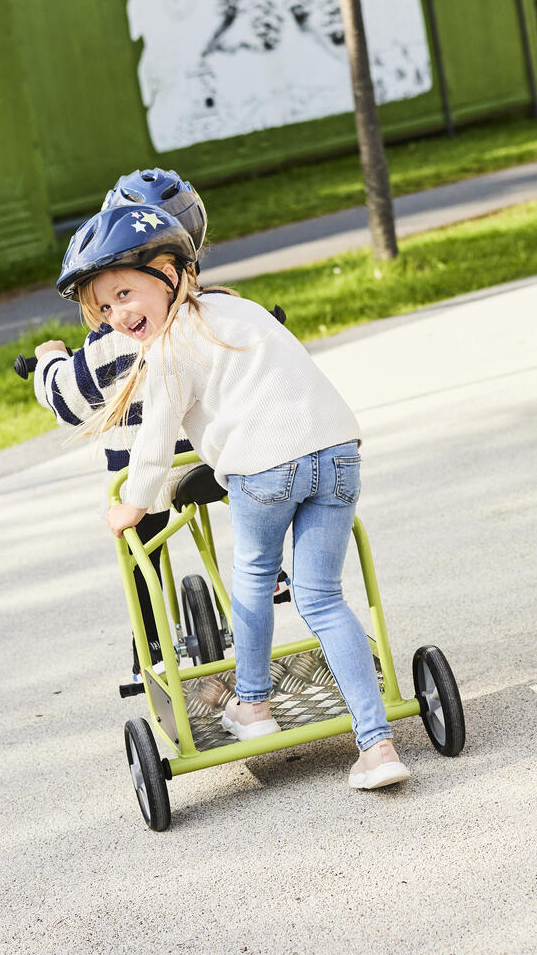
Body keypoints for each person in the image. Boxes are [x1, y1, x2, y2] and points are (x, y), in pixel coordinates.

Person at [86, 207, 410, 791]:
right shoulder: (240, 309)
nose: (117, 315)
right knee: (322, 599)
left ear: (169, 273)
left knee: (254, 582)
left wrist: (133, 504)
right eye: (104, 309)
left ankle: (254, 707)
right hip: (338, 451)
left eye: (124, 294)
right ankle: (377, 745)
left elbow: (155, 443)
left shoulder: (169, 346)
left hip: (265, 469)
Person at [33, 168, 208, 678]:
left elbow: (68, 400)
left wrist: (48, 362)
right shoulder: (213, 311)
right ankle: (275, 575)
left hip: (145, 477)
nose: (114, 309)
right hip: (214, 458)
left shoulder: (112, 339)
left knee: (141, 551)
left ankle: (148, 651)